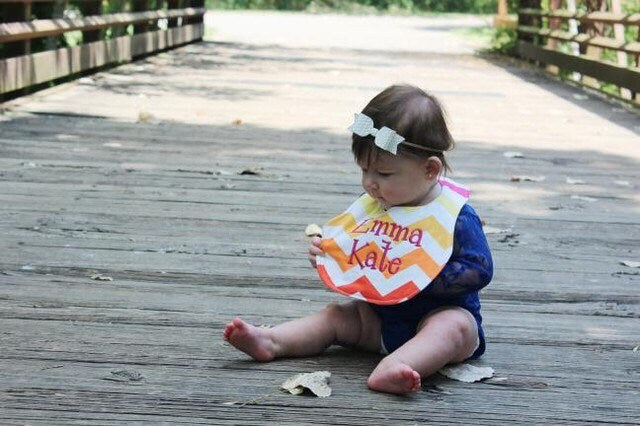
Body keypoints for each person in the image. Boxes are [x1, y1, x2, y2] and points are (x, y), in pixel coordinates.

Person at [223, 84, 493, 395]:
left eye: (384, 174)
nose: (370, 183)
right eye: (364, 170)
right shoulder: (376, 206)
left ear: (430, 169)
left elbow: (480, 268)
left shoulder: (454, 215)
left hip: (436, 320)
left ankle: (396, 366)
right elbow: (357, 245)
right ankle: (273, 340)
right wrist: (331, 253)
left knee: (454, 326)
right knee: (336, 316)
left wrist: (423, 276)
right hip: (378, 321)